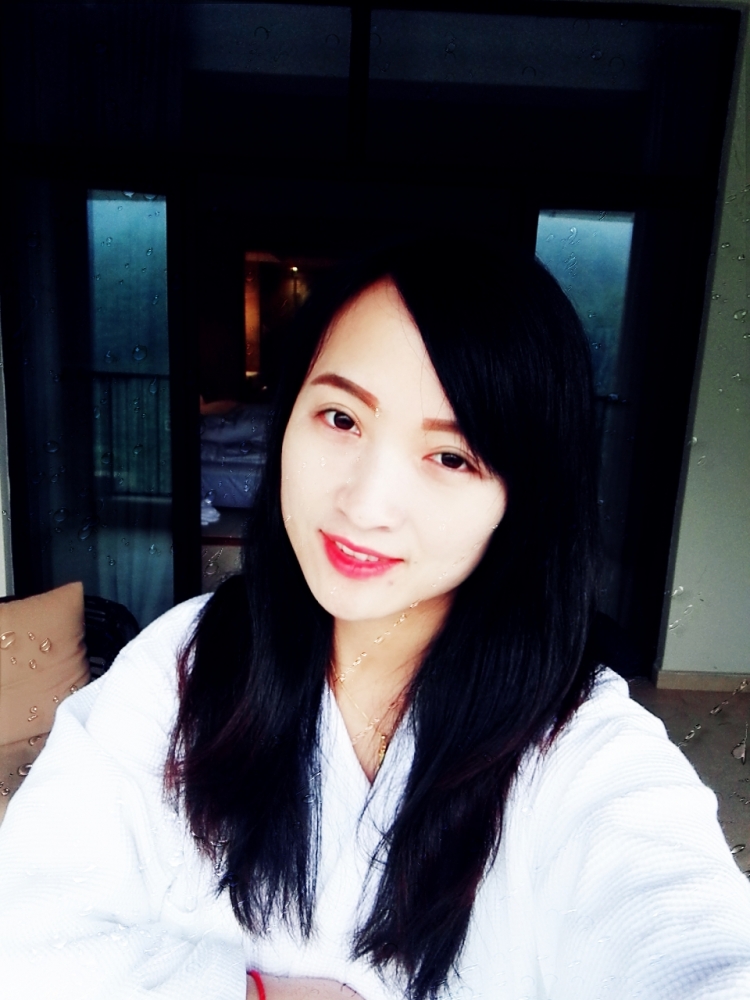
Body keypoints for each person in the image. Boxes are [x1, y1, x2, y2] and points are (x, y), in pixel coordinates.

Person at [1, 240, 749, 1000]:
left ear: (522, 497)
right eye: (341, 417)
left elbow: (694, 951)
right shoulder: (186, 664)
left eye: (451, 457)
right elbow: (22, 931)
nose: (365, 505)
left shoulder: (577, 745)